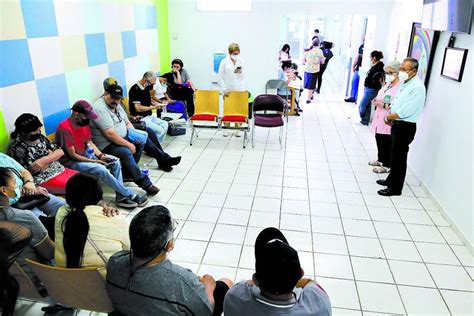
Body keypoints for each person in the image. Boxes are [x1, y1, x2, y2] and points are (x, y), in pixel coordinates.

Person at [106, 205, 233, 316]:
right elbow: (205, 312)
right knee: (226, 283)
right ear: (169, 245)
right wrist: (209, 289)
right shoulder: (183, 282)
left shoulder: (114, 262)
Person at [56, 100, 148, 209]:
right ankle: (129, 194)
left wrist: (101, 156)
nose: (89, 120)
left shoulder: (83, 123)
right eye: (87, 116)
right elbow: (73, 155)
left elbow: (89, 142)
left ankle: (121, 196)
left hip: (86, 155)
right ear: (76, 114)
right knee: (101, 169)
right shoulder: (64, 128)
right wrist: (95, 161)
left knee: (115, 162)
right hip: (72, 161)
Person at [224, 227, 331, 315]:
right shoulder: (319, 303)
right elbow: (309, 283)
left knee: (226, 281)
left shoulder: (234, 298)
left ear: (256, 280)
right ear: (301, 273)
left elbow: (246, 284)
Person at [90, 84, 161, 196]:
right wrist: (129, 144)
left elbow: (127, 122)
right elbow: (110, 134)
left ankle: (128, 174)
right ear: (105, 94)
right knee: (126, 151)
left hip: (120, 138)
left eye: (118, 98)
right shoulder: (99, 108)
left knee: (140, 141)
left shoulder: (116, 105)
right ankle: (145, 183)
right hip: (106, 144)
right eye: (113, 97)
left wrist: (134, 135)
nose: (116, 101)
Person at [55, 173, 130, 278]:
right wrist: (104, 206)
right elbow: (132, 251)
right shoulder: (115, 217)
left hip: (66, 284)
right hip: (105, 287)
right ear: (100, 195)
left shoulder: (61, 214)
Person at [0, 167, 54, 295]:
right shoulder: (23, 217)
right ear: (4, 190)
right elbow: (49, 253)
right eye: (14, 183)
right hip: (33, 284)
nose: (18, 186)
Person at [377, 58, 426, 196]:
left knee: (399, 158)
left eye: (405, 70)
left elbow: (405, 111)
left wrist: (388, 117)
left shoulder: (417, 87)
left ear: (414, 71)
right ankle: (390, 180)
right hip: (397, 124)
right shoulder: (406, 83)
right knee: (394, 155)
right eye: (401, 69)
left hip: (405, 126)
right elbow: (397, 102)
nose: (401, 72)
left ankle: (395, 188)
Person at [9, 114, 78, 195]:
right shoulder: (18, 148)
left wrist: (44, 160)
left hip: (60, 170)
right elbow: (34, 170)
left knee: (86, 180)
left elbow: (60, 151)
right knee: (77, 187)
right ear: (24, 132)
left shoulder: (40, 137)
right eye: (35, 131)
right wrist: (52, 156)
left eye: (39, 130)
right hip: (45, 179)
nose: (39, 132)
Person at [0, 153, 65, 217]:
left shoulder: (2, 157)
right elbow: (5, 194)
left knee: (63, 206)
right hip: (14, 204)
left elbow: (24, 171)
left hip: (30, 191)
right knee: (40, 219)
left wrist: (29, 183)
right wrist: (28, 191)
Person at [369, 61, 402, 174]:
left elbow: (397, 106)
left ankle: (387, 165)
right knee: (379, 139)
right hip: (379, 117)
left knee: (386, 142)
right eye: (386, 72)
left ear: (397, 73)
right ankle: (380, 159)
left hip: (388, 119)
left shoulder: (400, 88)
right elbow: (382, 96)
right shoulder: (388, 84)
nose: (387, 75)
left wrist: (381, 104)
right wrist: (376, 101)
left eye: (390, 72)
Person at [129, 72, 169, 143]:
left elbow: (148, 99)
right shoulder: (135, 89)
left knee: (165, 124)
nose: (152, 86)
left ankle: (157, 146)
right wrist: (153, 107)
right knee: (160, 130)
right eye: (151, 84)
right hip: (141, 118)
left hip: (149, 116)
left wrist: (159, 103)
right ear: (145, 80)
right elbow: (138, 108)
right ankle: (156, 148)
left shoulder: (146, 87)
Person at [218, 42, 247, 137]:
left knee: (238, 109)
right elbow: (220, 77)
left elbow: (243, 76)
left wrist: (240, 72)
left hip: (239, 89)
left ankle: (238, 128)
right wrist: (224, 89)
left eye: (237, 53)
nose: (236, 55)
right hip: (228, 90)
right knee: (228, 109)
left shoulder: (241, 61)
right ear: (229, 52)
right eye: (234, 53)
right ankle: (226, 128)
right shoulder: (224, 62)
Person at [357, 50, 385, 125]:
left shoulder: (378, 67)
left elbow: (377, 79)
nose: (370, 59)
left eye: (370, 57)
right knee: (367, 104)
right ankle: (364, 121)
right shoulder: (376, 66)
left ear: (374, 58)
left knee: (362, 105)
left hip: (371, 89)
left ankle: (362, 117)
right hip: (368, 88)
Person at [303, 39, 325, 104]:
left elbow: (304, 60)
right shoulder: (320, 51)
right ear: (319, 44)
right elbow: (322, 62)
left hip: (307, 69)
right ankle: (308, 99)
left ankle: (311, 95)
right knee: (311, 85)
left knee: (309, 84)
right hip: (314, 70)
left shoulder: (308, 50)